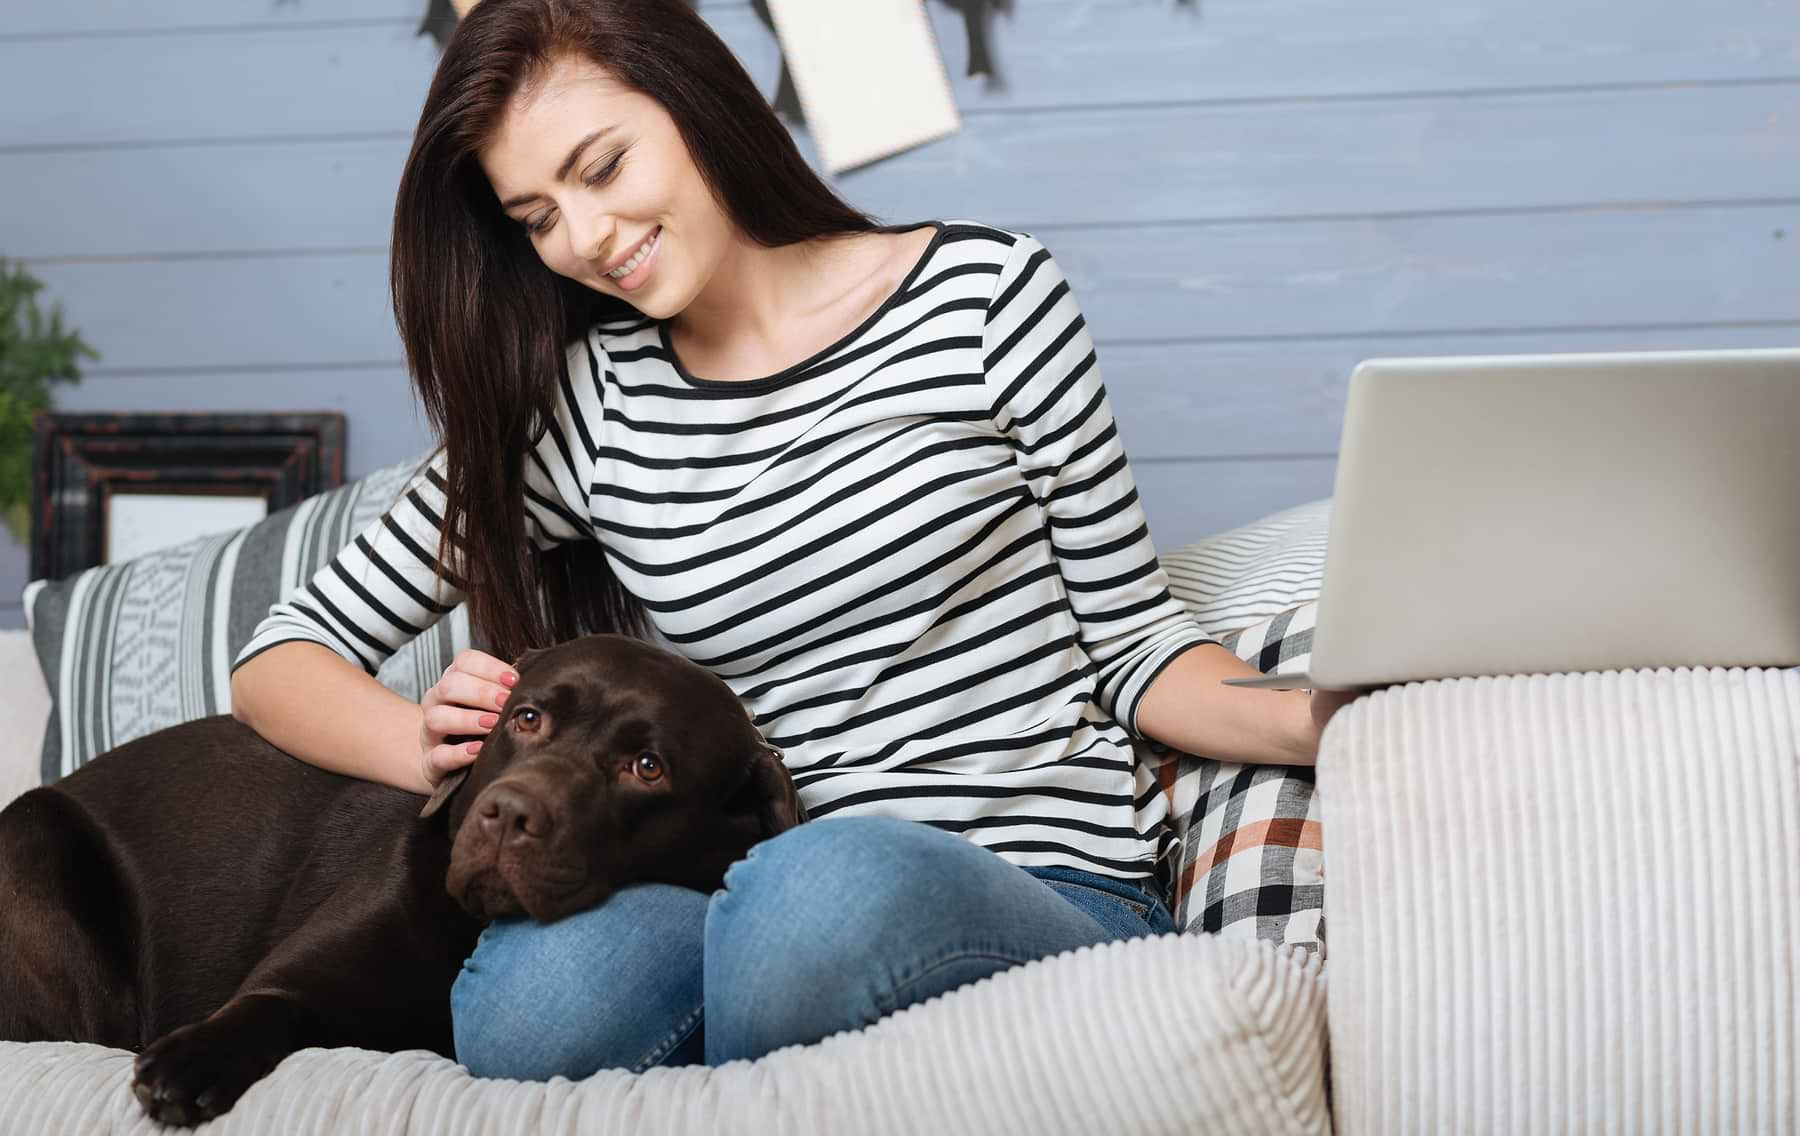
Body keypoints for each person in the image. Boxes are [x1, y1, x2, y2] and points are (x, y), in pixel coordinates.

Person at [229, 0, 1356, 1080]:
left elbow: (1134, 645)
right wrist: (424, 746)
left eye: (602, 168)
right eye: (535, 217)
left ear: (696, 98)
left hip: (1040, 881)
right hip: (745, 900)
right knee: (534, 1005)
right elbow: (278, 657)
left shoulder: (986, 299)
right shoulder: (585, 409)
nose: (582, 238)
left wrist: (1320, 719)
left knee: (814, 890)